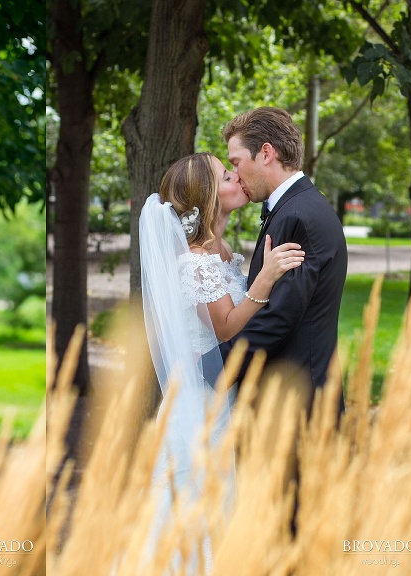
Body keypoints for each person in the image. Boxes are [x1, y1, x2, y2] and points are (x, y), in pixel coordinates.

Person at [139, 152, 304, 572]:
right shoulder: (195, 262)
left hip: (219, 397)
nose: (239, 179)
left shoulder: (221, 251)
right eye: (228, 175)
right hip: (196, 407)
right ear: (209, 196)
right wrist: (266, 279)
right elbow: (227, 326)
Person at [221, 107, 348, 406]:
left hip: (296, 402)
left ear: (266, 153)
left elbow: (277, 318)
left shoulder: (297, 216)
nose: (235, 175)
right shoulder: (297, 207)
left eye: (236, 163)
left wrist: (211, 368)